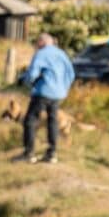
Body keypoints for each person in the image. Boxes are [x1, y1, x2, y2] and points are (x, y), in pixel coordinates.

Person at [17, 32, 75, 164]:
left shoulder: (41, 54)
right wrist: (64, 88)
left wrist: (27, 83)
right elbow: (71, 74)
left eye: (37, 43)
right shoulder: (62, 54)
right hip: (58, 93)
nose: (36, 45)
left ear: (42, 42)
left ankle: (29, 153)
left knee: (30, 120)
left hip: (43, 91)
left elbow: (32, 74)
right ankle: (52, 153)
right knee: (52, 121)